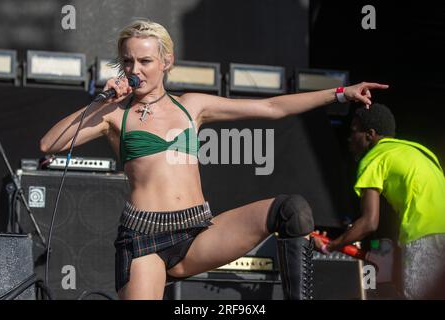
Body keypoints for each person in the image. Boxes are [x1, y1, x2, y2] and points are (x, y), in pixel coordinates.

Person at [39, 19, 388, 300]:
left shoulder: (191, 105)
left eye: (145, 61)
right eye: (128, 61)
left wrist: (340, 93)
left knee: (292, 211)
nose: (136, 70)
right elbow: (50, 143)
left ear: (166, 62)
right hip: (143, 240)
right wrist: (104, 102)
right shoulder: (115, 114)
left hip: (196, 231)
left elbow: (271, 107)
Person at [314, 103, 445, 299]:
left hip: (425, 234)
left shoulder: (375, 158)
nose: (349, 139)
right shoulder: (421, 152)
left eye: (354, 131)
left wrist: (330, 246)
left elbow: (369, 223)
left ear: (370, 134)